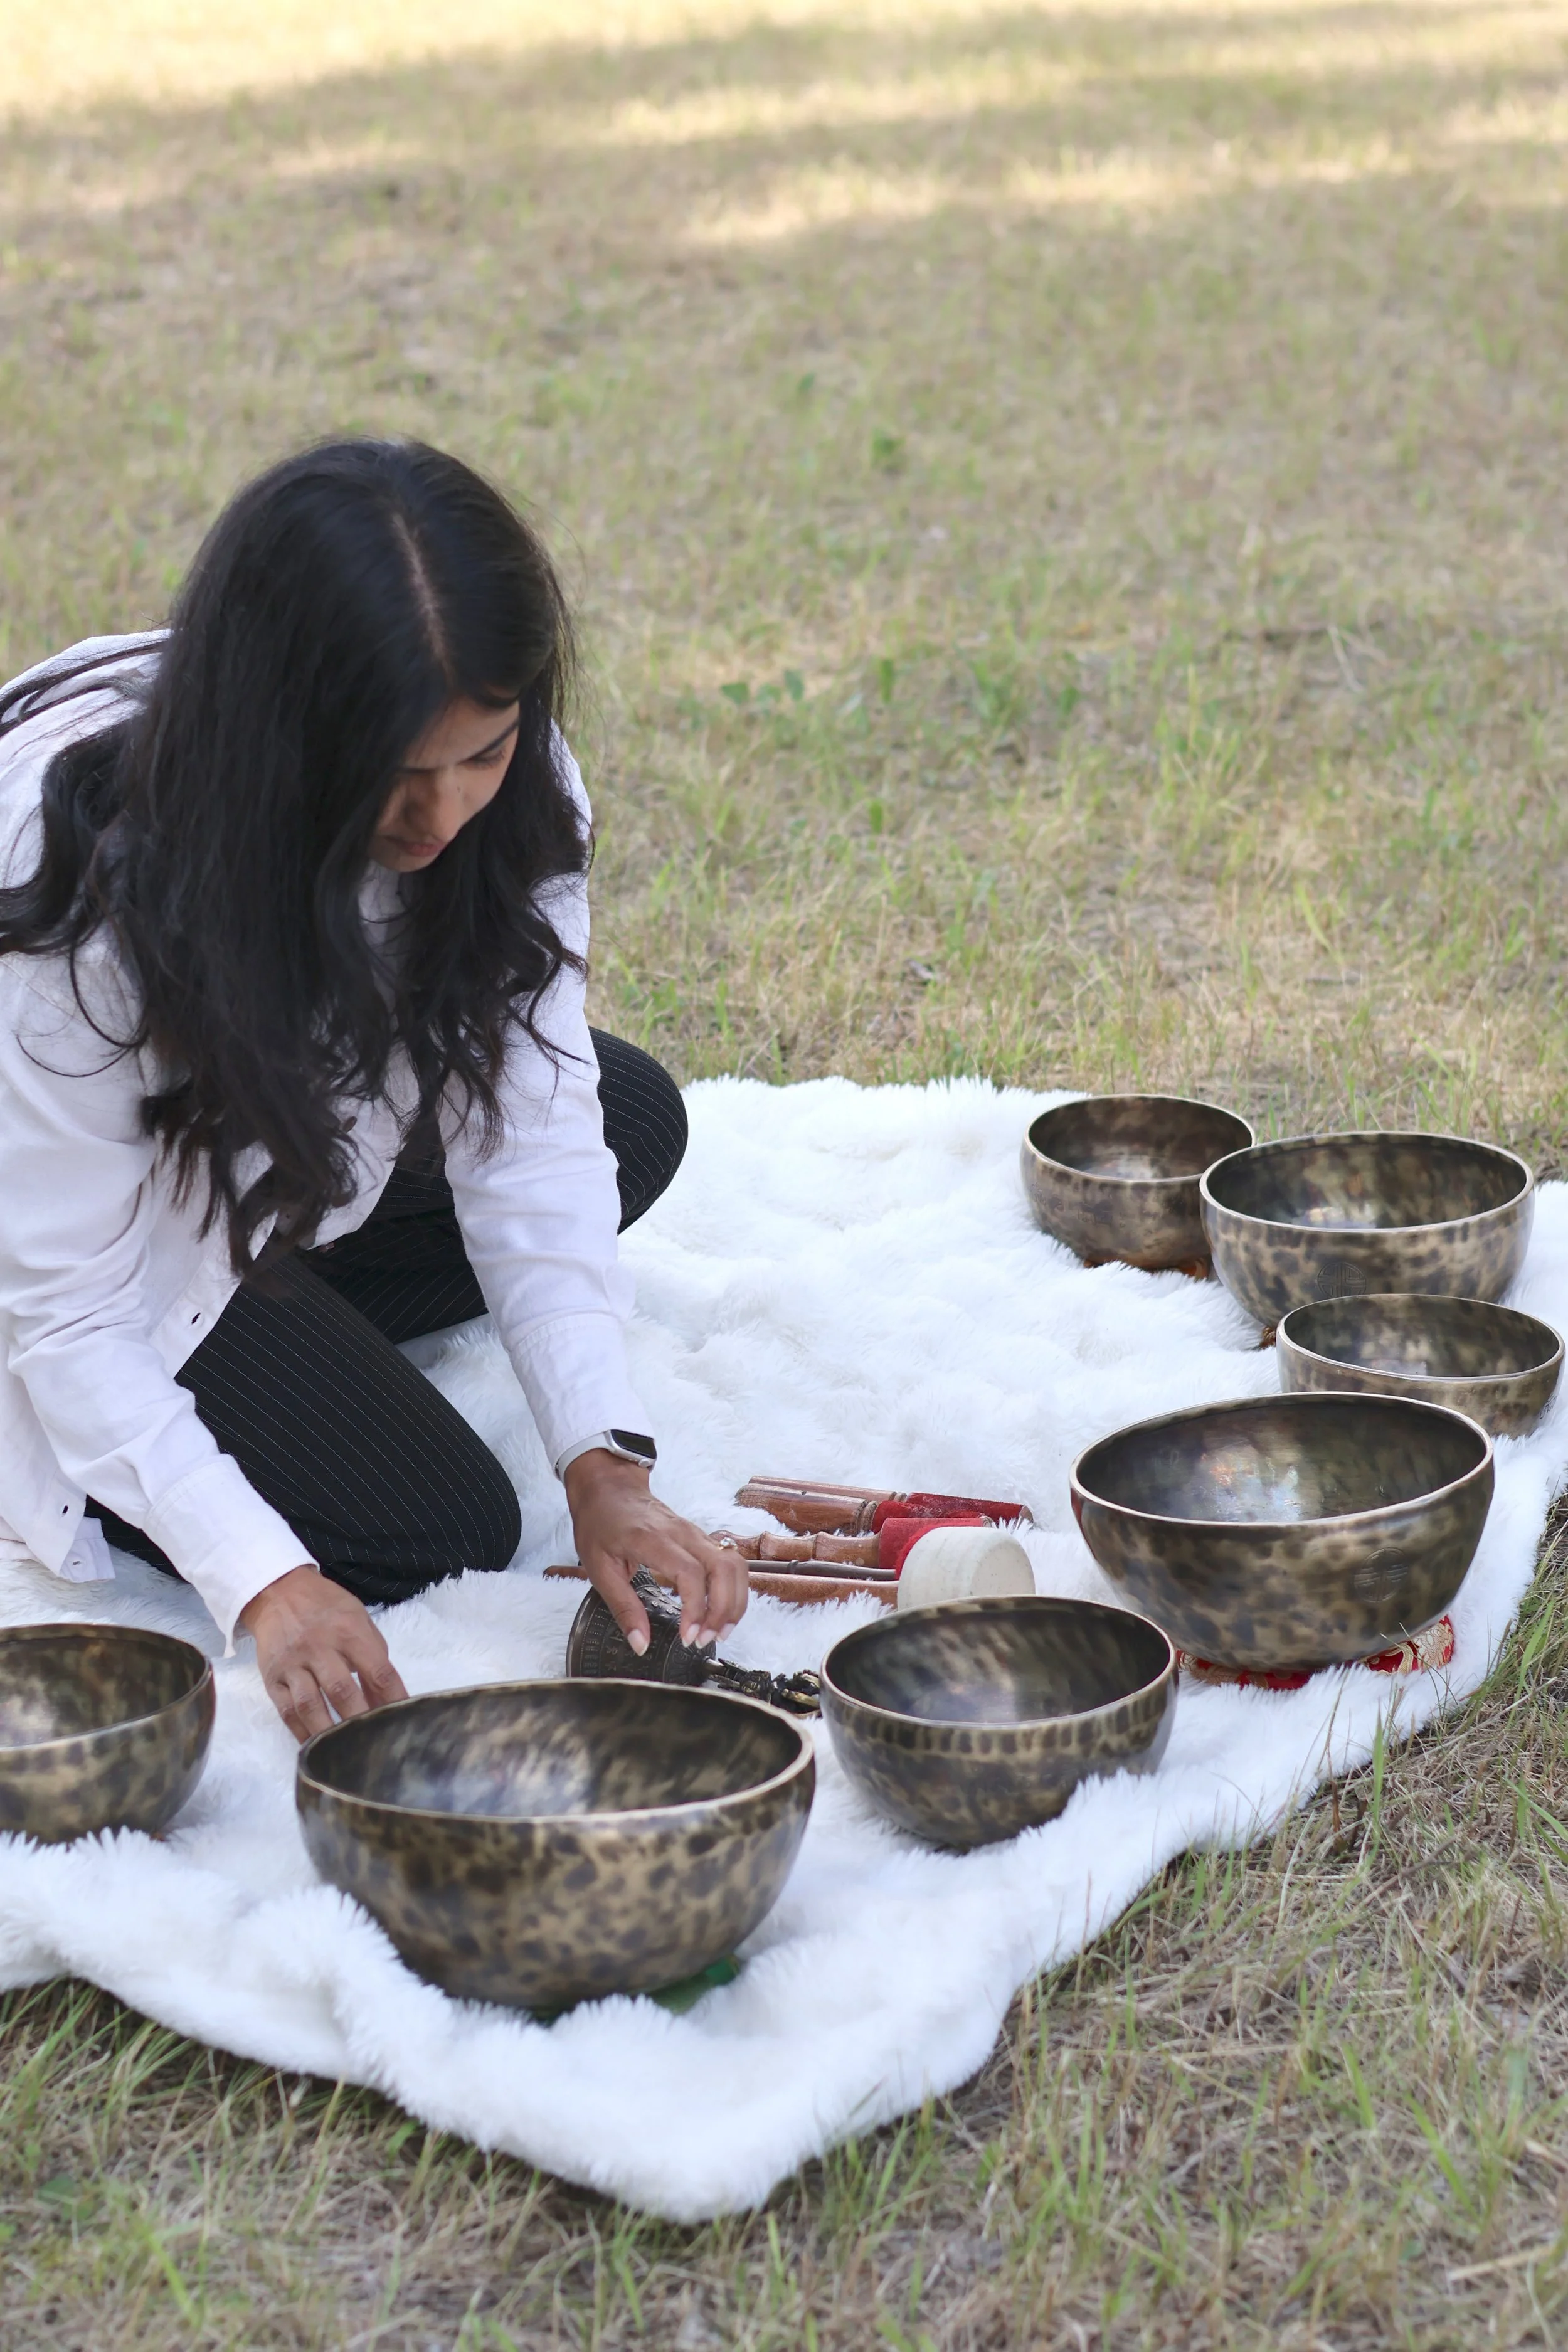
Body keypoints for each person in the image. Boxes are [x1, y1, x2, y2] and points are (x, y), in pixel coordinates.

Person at [0, 438, 746, 1739]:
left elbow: (527, 1122)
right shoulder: (76, 883)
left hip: (237, 1172)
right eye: (393, 775)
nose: (441, 814)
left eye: (482, 752)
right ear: (272, 731)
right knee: (433, 1524)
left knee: (629, 1118)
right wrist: (268, 1580)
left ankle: (269, 1337)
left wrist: (602, 1460)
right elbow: (60, 1304)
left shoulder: (504, 776)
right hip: (57, 1250)